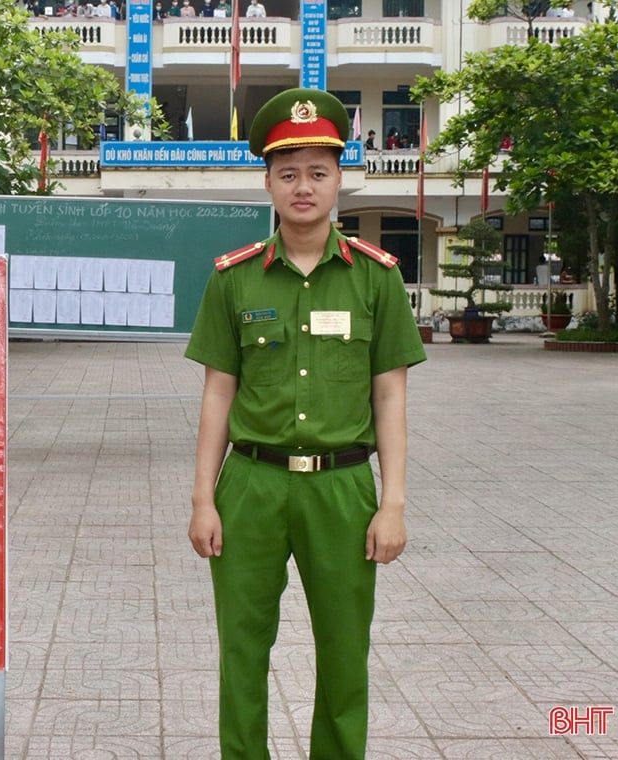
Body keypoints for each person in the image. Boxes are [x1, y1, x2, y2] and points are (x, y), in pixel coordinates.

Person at [185, 87, 426, 760]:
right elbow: (216, 395)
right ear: (267, 181)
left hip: (343, 490)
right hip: (252, 486)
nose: (303, 187)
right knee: (241, 650)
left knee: (345, 651)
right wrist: (204, 498)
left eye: (318, 172)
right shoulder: (233, 281)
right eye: (288, 173)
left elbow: (390, 398)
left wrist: (394, 503)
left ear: (339, 180)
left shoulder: (376, 280)